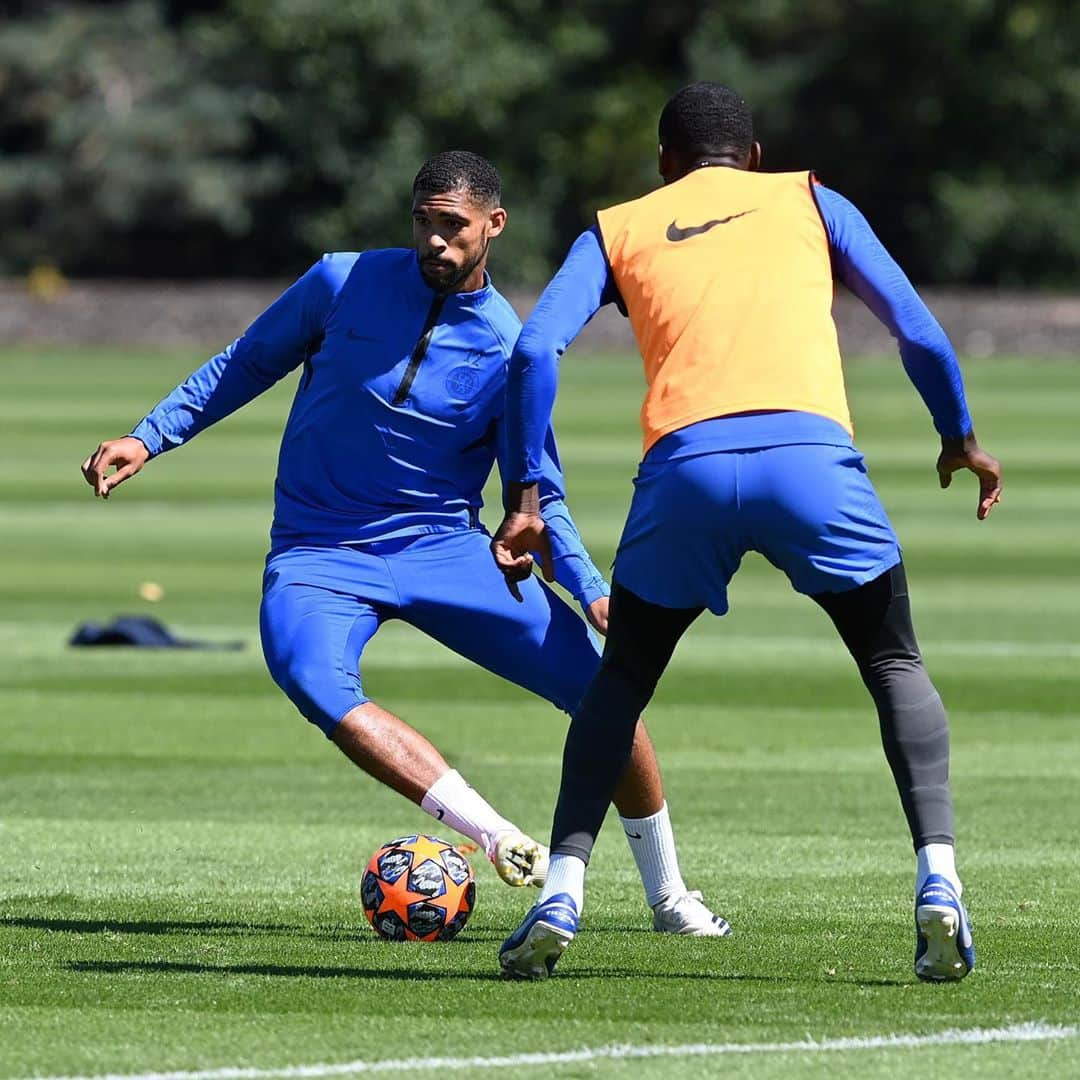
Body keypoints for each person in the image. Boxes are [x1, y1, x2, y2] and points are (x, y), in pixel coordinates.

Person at [80, 150, 727, 935]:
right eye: (423, 222)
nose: (434, 241)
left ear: (494, 226)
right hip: (319, 552)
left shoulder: (509, 349)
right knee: (310, 676)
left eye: (452, 226)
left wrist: (589, 585)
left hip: (444, 549)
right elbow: (243, 363)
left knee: (605, 696)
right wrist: (148, 437)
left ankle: (670, 896)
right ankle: (495, 836)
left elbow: (537, 490)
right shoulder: (338, 281)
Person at [493, 84, 1002, 981]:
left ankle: (563, 887)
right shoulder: (811, 199)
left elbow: (533, 351)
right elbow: (918, 332)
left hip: (685, 469)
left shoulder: (618, 226)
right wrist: (958, 437)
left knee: (622, 686)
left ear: (663, 165)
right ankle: (939, 879)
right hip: (811, 461)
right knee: (892, 663)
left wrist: (529, 491)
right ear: (755, 156)